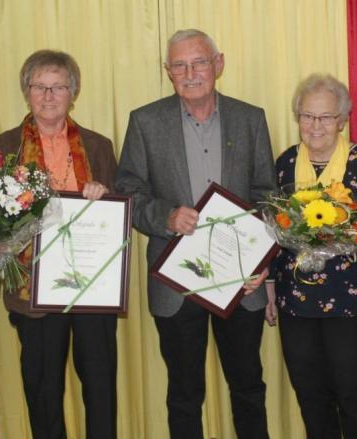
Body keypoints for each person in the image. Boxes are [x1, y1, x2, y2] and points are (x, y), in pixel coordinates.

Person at [115, 29, 273, 439]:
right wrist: (166, 218)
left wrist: (260, 263)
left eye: (199, 62)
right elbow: (128, 194)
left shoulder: (250, 117)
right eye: (179, 65)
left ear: (218, 64)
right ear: (168, 72)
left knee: (249, 388)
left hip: (240, 280)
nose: (190, 73)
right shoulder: (145, 121)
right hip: (176, 282)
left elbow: (267, 196)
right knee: (184, 394)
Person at [0, 50, 117, 439]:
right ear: (26, 92)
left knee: (100, 386)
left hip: (93, 289)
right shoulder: (1, 149)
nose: (48, 95)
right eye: (39, 86)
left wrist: (104, 196)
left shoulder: (99, 145)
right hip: (32, 293)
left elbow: (119, 214)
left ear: (72, 93)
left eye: (58, 86)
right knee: (42, 390)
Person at [267, 73, 357, 438]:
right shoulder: (285, 163)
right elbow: (272, 232)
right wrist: (272, 288)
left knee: (354, 393)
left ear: (341, 120)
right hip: (297, 301)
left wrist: (336, 244)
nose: (315, 125)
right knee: (310, 393)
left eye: (324, 117)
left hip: (350, 299)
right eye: (307, 116)